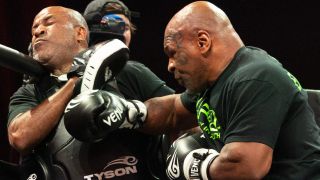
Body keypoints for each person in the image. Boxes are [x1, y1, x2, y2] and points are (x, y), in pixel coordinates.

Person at [68, 1, 320, 179]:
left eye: (173, 53)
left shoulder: (254, 77)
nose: (170, 65)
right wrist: (129, 112)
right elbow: (172, 112)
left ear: (202, 42)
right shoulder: (214, 83)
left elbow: (246, 167)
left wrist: (194, 165)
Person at [8, 4, 173, 180]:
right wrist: (75, 82)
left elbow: (179, 114)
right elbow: (20, 138)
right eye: (34, 28)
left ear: (80, 33)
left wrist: (132, 113)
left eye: (48, 23)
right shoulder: (29, 92)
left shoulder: (126, 72)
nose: (38, 31)